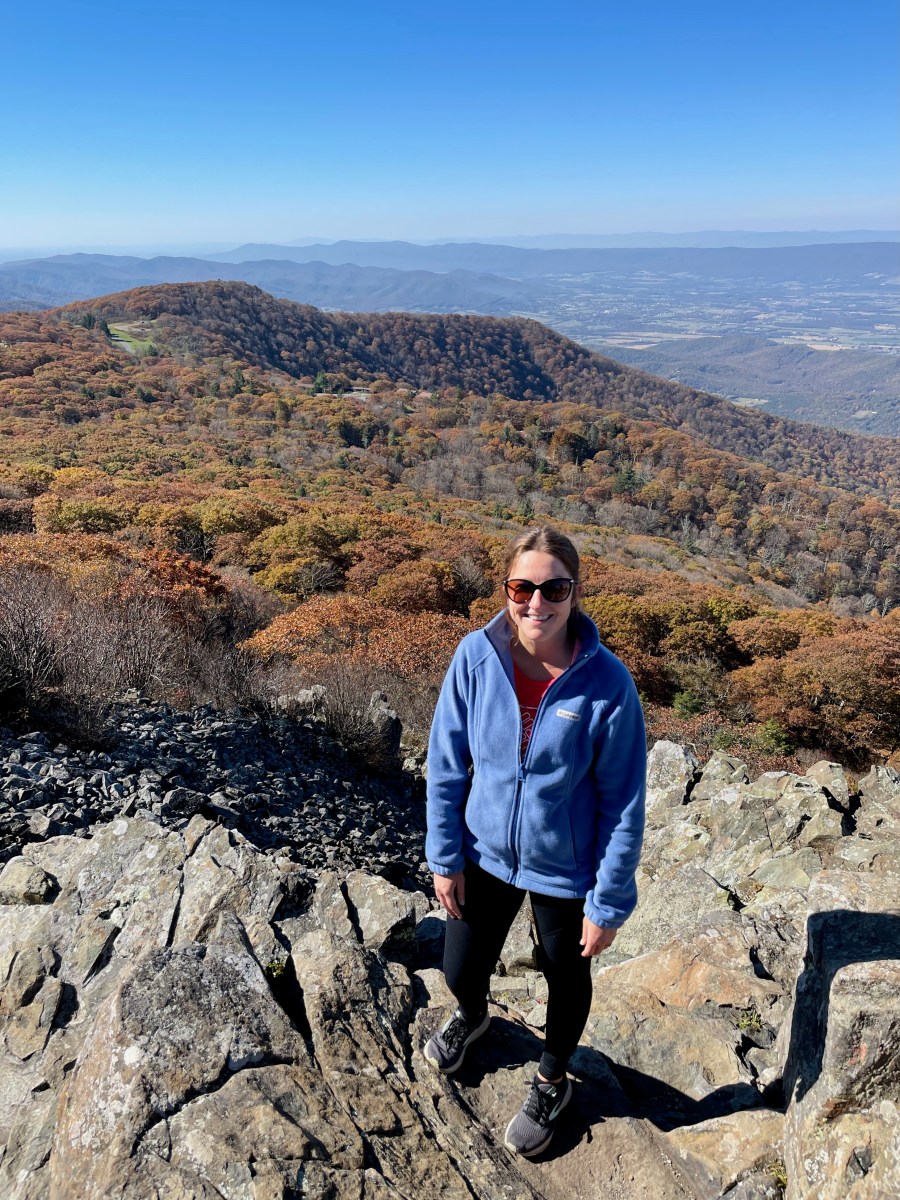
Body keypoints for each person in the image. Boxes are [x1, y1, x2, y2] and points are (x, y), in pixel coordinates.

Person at [422, 525, 646, 1157]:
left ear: (575, 593)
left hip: (565, 868)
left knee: (565, 978)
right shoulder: (475, 656)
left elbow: (623, 802)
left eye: (554, 588)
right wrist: (445, 856)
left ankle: (552, 1078)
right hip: (483, 851)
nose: (536, 604)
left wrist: (607, 901)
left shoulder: (607, 685)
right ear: (506, 588)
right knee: (459, 967)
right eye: (523, 587)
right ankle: (474, 1015)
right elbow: (446, 764)